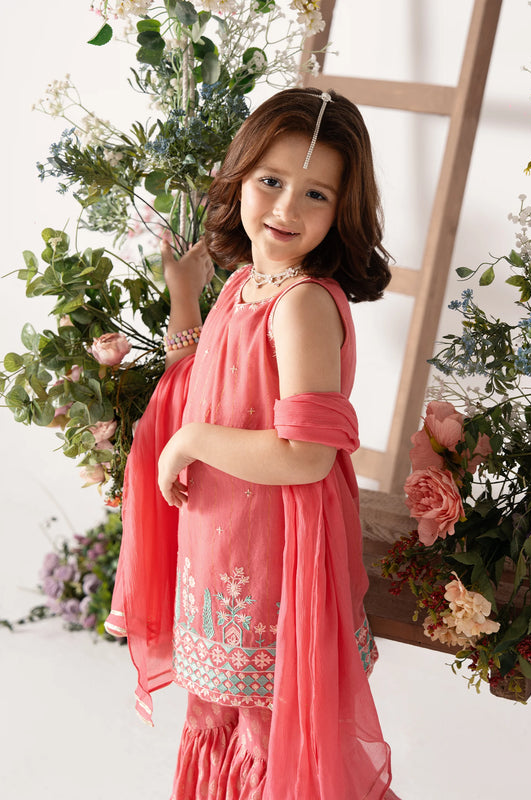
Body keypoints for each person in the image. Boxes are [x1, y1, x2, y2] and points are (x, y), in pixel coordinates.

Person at [105, 87, 397, 799]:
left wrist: (191, 442)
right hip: (224, 544)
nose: (286, 209)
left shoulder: (301, 305)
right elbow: (200, 384)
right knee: (222, 722)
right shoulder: (245, 284)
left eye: (316, 194)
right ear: (238, 179)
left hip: (275, 555)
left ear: (343, 210)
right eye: (271, 180)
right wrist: (184, 294)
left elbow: (306, 454)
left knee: (272, 741)